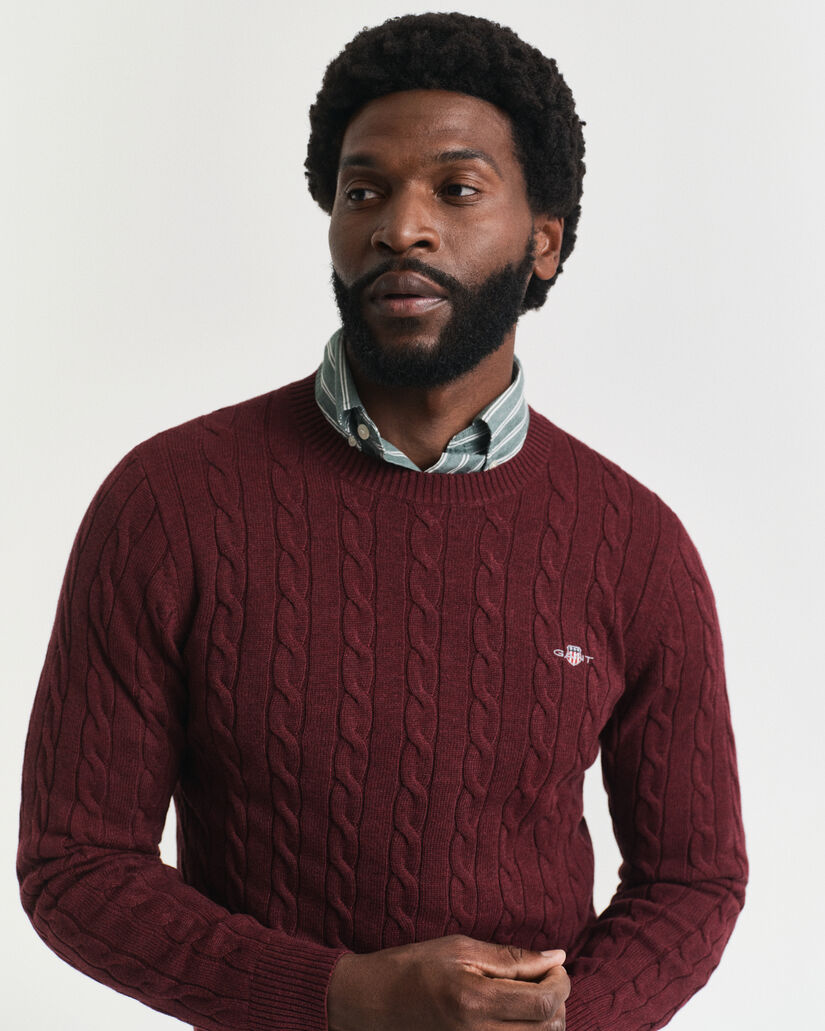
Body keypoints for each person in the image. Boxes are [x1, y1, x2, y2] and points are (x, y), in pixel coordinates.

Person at [17, 12, 747, 1031]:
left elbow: (693, 879)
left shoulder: (635, 544)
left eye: (456, 189)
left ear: (543, 241)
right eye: (363, 191)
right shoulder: (168, 504)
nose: (400, 227)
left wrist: (562, 1022)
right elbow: (76, 866)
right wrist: (342, 995)